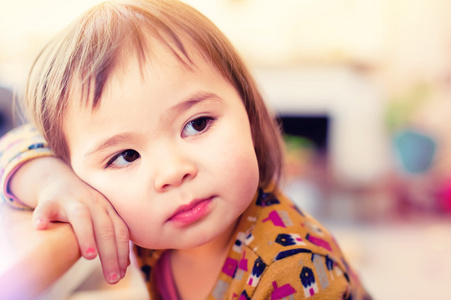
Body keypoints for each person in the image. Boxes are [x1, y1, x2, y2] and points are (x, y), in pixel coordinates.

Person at [0, 0, 371, 299]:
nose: (173, 172)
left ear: (249, 111)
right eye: (126, 156)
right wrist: (53, 182)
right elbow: (16, 141)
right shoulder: (157, 226)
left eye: (197, 124)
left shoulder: (289, 271)